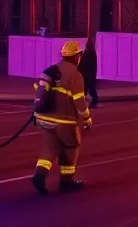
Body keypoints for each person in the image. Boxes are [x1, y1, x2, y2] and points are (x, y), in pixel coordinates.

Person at [31, 40, 93, 194]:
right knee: (71, 146)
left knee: (48, 148)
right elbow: (79, 101)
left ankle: (40, 174)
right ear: (77, 57)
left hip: (43, 119)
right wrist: (87, 118)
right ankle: (67, 181)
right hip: (63, 121)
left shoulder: (52, 70)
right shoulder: (75, 75)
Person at [79, 33, 99, 108]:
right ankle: (90, 102)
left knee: (89, 89)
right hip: (87, 74)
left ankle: (93, 101)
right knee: (87, 89)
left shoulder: (90, 53)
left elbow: (85, 64)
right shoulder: (89, 53)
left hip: (88, 74)